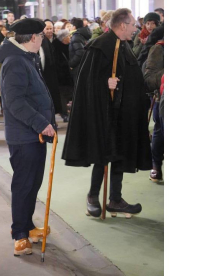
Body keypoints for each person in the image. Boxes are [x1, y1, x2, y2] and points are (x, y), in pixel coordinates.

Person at [62, 8, 152, 218]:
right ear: (122, 25)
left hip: (123, 114)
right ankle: (93, 197)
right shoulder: (100, 46)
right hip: (104, 114)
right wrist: (105, 83)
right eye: (132, 25)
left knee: (119, 154)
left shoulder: (125, 46)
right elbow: (85, 82)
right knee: (102, 156)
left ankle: (115, 199)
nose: (134, 29)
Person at [0, 18, 56, 256]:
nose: (43, 39)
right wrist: (41, 123)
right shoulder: (16, 62)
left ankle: (28, 226)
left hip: (33, 135)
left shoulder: (25, 58)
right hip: (24, 136)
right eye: (41, 35)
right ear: (33, 37)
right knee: (23, 185)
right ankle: (20, 234)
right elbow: (15, 102)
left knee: (32, 184)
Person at [144, 37, 164, 183]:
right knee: (159, 132)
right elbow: (149, 79)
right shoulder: (159, 48)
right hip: (161, 98)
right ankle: (156, 166)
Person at [52, 29, 73, 122]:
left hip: (67, 76)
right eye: (68, 36)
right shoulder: (56, 48)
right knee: (63, 96)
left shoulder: (67, 46)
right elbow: (58, 63)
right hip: (61, 76)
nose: (70, 38)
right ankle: (64, 113)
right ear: (63, 38)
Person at [68, 18, 92, 85]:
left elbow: (80, 53)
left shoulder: (76, 36)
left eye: (70, 26)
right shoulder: (84, 34)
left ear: (74, 27)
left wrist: (71, 64)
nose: (69, 28)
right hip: (83, 66)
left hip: (78, 67)